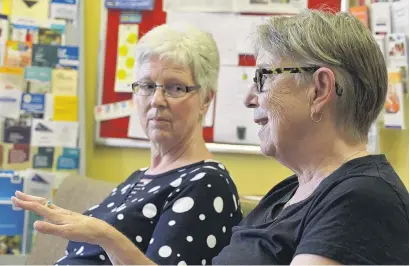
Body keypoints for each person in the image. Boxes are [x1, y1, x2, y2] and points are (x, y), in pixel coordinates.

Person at [12, 9, 409, 265]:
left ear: (321, 90)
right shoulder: (287, 192)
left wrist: (107, 238)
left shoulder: (361, 199)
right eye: (146, 87)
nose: (251, 96)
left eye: (263, 77)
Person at [12, 23, 243, 265]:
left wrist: (105, 236)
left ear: (206, 99)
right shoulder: (139, 177)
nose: (156, 100)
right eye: (147, 86)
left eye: (175, 88)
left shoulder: (207, 182)